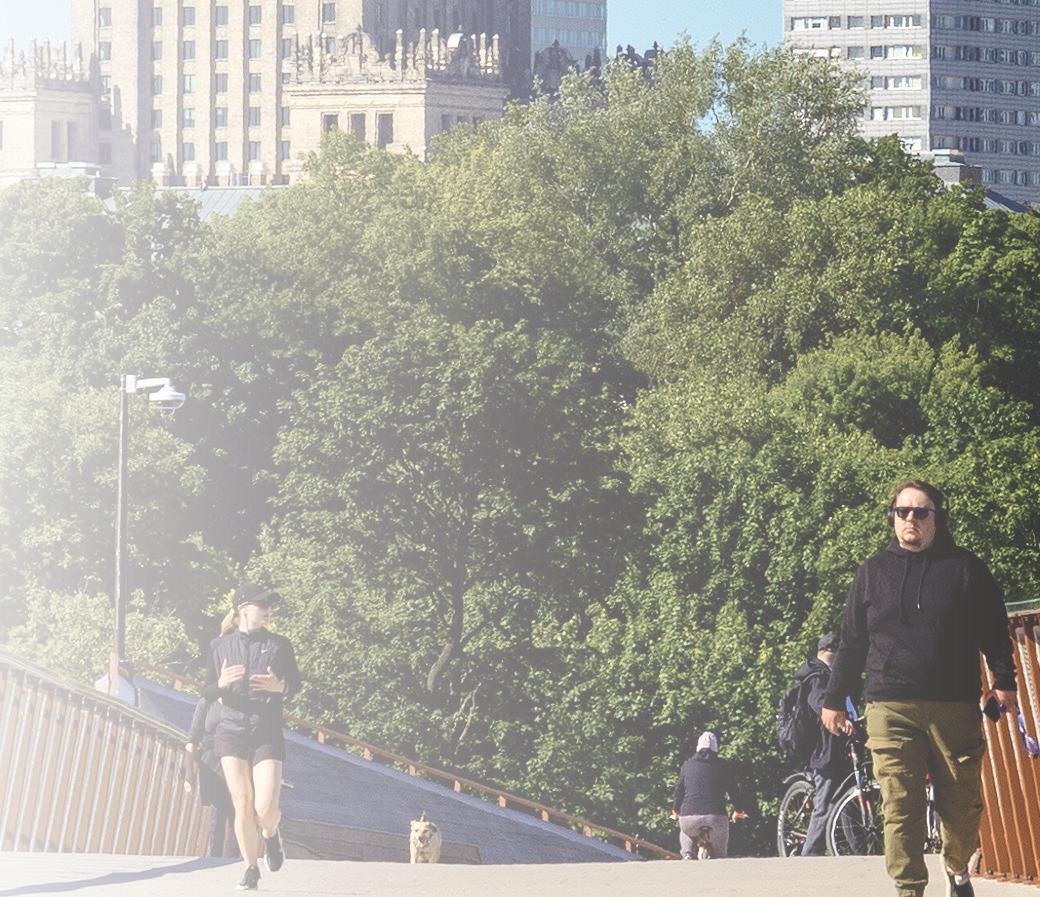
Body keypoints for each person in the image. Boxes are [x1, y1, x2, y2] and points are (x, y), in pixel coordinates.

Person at [821, 479, 1017, 897]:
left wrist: (1004, 682)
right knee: (899, 806)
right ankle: (909, 889)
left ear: (937, 518)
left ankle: (957, 867)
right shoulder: (872, 572)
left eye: (920, 511)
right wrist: (833, 699)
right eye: (902, 511)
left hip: (955, 705)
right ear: (892, 518)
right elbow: (851, 642)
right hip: (889, 705)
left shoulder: (966, 568)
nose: (910, 518)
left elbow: (994, 631)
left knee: (962, 806)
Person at [205, 582, 300, 891]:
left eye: (269, 605)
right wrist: (220, 684)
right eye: (262, 604)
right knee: (242, 802)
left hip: (266, 730)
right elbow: (206, 691)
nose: (267, 610)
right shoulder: (219, 646)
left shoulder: (280, 645)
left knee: (266, 808)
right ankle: (250, 868)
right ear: (243, 609)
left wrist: (280, 687)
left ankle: (271, 835)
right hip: (231, 731)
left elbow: (296, 684)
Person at [796, 632, 847, 856]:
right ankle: (809, 853)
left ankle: (857, 848)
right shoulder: (817, 676)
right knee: (823, 803)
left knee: (845, 797)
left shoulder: (828, 675)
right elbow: (819, 704)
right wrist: (839, 720)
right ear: (830, 652)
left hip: (835, 746)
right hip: (822, 749)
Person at [669, 731, 748, 859]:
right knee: (720, 851)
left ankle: (687, 854)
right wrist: (738, 810)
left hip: (689, 816)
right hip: (716, 817)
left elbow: (679, 791)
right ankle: (719, 857)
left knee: (686, 831)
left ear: (698, 747)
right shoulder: (723, 765)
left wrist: (675, 809)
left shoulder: (687, 765)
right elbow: (734, 791)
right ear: (715, 748)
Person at [183, 693, 238, 857]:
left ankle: (233, 859)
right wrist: (189, 774)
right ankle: (214, 859)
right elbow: (192, 740)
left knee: (237, 813)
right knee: (218, 812)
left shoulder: (244, 702)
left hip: (237, 762)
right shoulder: (207, 703)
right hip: (211, 764)